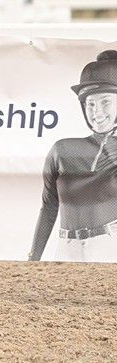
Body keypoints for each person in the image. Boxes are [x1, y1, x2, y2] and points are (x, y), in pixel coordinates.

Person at [29, 50, 117, 262]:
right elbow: (49, 207)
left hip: (110, 245)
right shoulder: (62, 149)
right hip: (66, 248)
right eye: (90, 104)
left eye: (105, 101)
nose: (97, 112)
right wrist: (33, 257)